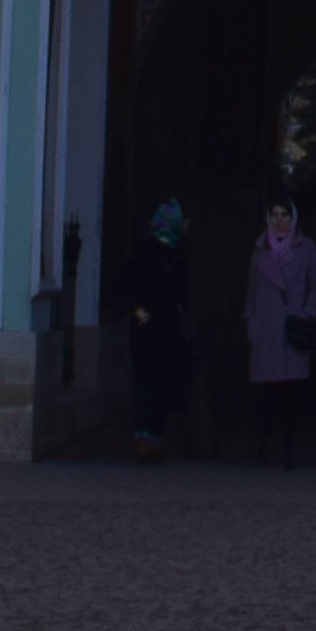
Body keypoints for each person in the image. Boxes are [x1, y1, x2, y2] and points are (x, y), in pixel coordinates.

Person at [242, 192, 316, 467]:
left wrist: (307, 312)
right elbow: (251, 291)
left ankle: (287, 447)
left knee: (290, 396)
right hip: (265, 329)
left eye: (284, 215)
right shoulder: (259, 250)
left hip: (292, 329)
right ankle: (265, 444)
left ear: (293, 218)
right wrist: (251, 322)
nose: (279, 220)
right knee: (266, 395)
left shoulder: (306, 248)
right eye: (274, 215)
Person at [124, 196, 193, 462]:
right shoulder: (148, 253)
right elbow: (128, 288)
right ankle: (144, 438)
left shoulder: (176, 253)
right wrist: (140, 312)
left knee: (161, 384)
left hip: (167, 331)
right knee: (150, 383)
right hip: (148, 330)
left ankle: (151, 437)